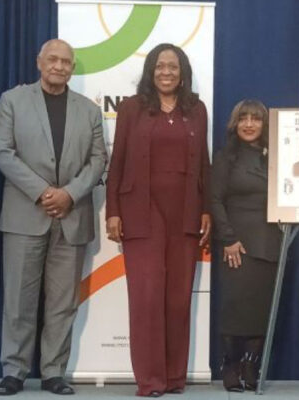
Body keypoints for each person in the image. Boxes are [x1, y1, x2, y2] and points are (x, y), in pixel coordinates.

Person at [0, 39, 107, 396]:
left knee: (62, 303)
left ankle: (54, 372)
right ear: (39, 62)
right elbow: (3, 152)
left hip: (72, 216)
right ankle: (14, 371)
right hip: (25, 214)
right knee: (18, 300)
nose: (59, 66)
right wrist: (44, 192)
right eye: (52, 60)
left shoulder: (89, 110)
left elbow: (98, 160)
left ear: (72, 68)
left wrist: (69, 194)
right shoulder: (13, 100)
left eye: (66, 62)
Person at [105, 43, 211, 397]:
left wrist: (206, 209)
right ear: (151, 71)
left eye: (173, 66)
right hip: (140, 211)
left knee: (178, 299)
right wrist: (113, 210)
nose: (166, 72)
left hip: (185, 211)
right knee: (147, 296)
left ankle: (174, 377)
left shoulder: (196, 109)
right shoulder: (132, 108)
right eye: (160, 66)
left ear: (183, 73)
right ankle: (151, 381)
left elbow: (204, 163)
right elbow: (117, 162)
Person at [210, 100, 282, 392]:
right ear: (235, 124)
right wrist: (228, 239)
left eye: (256, 119)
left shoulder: (277, 157)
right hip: (236, 243)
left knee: (262, 308)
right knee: (235, 307)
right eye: (243, 119)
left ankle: (252, 365)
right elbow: (214, 200)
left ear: (265, 125)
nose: (249, 124)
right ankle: (230, 364)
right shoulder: (226, 157)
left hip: (271, 241)